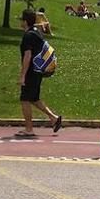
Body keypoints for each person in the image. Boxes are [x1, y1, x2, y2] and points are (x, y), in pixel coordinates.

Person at [17, 9, 62, 138]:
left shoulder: (28, 36)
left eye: (21, 19)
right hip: (38, 71)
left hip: (31, 72)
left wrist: (22, 75)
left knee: (25, 99)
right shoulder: (36, 32)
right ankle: (54, 118)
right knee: (34, 99)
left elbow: (27, 55)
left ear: (25, 21)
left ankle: (29, 129)